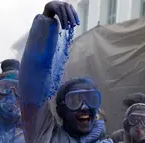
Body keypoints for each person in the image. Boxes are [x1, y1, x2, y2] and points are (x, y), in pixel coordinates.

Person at [19, 1, 112, 143]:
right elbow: (32, 89)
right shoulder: (46, 136)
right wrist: (46, 19)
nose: (85, 107)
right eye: (74, 101)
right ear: (60, 110)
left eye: (91, 99)